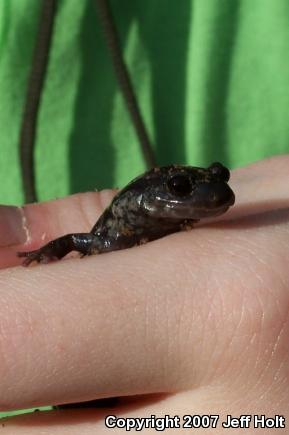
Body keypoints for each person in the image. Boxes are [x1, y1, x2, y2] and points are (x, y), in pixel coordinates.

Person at [0, 0, 288, 431]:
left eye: (217, 177)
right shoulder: (108, 240)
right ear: (137, 200)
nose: (214, 190)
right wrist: (43, 253)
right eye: (179, 189)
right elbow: (77, 240)